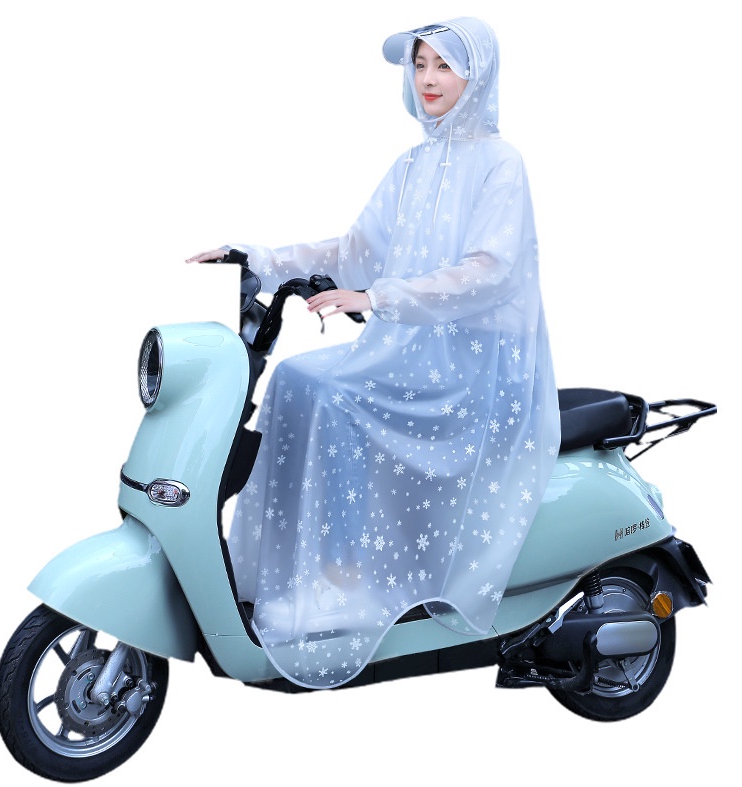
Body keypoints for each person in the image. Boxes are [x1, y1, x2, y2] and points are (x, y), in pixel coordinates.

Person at [187, 17, 560, 689]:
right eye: (419, 65)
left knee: (334, 396)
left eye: (443, 65)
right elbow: (356, 250)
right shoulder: (413, 165)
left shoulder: (500, 163)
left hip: (475, 364)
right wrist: (261, 259)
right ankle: (293, 572)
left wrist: (377, 298)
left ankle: (349, 582)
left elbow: (489, 271)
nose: (428, 80)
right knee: (295, 378)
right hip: (415, 348)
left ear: (477, 75)